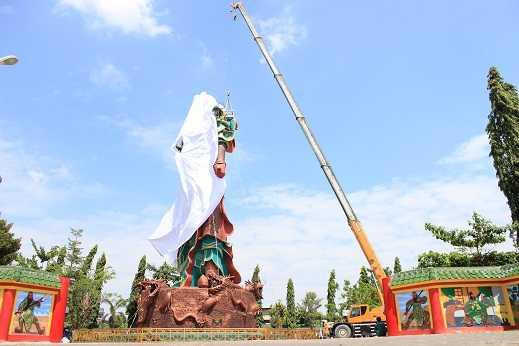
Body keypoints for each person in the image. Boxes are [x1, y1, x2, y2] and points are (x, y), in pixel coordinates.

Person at [149, 93, 241, 288]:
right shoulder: (195, 131)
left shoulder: (212, 123)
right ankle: (196, 274)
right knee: (193, 221)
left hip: (209, 184)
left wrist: (219, 158)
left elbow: (225, 137)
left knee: (210, 221)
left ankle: (211, 270)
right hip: (196, 183)